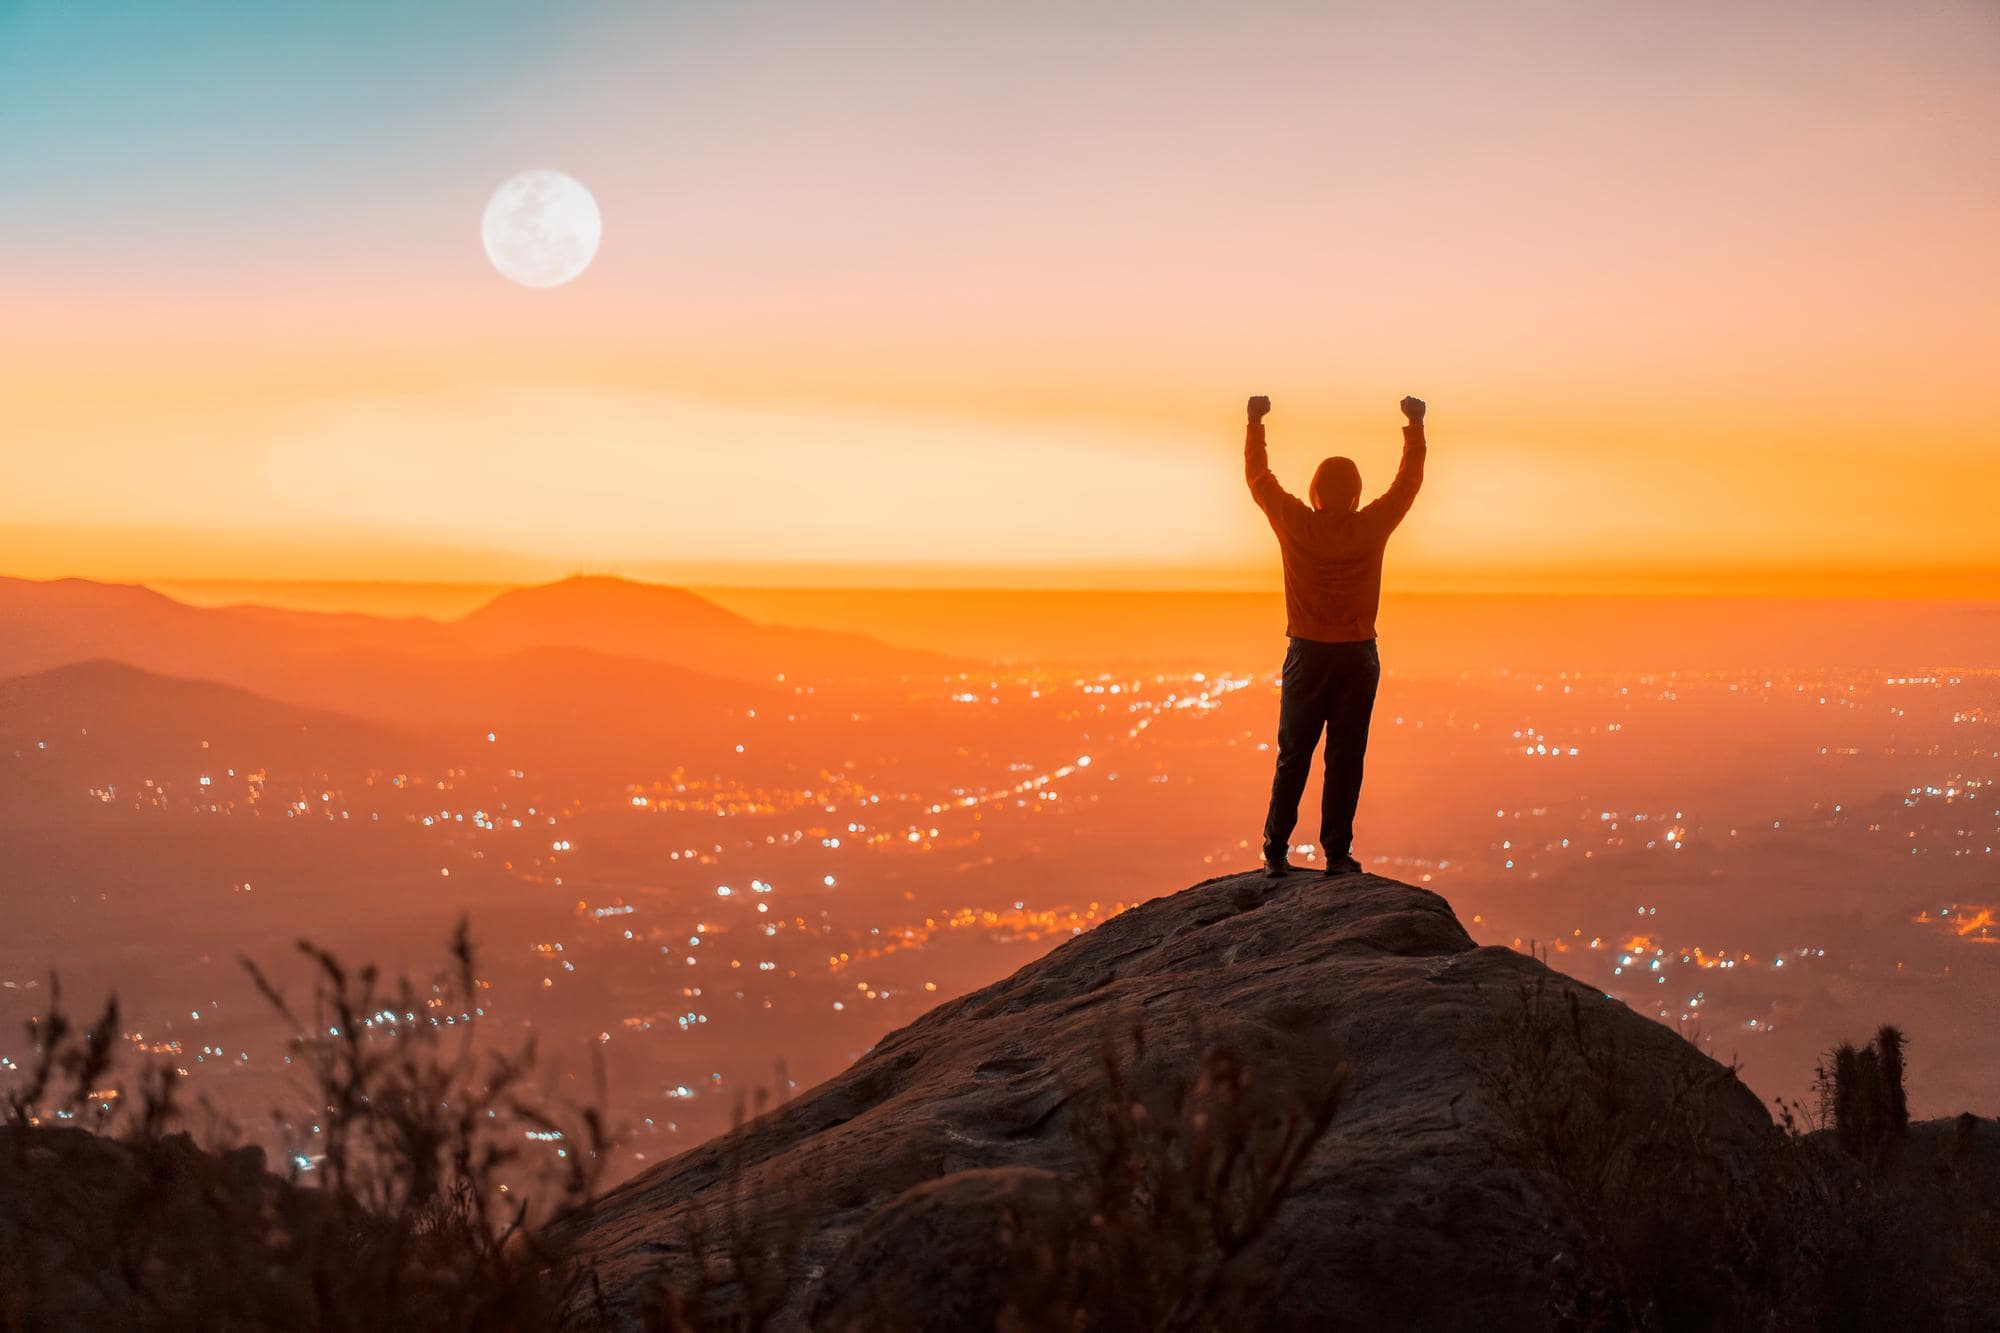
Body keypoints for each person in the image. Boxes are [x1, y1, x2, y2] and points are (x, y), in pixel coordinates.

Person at [1245, 393, 1427, 877]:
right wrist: (1415, 427)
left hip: (1307, 655)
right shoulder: (1371, 526)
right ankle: (1337, 855)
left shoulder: (1297, 523)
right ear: (1355, 495)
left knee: (1293, 756)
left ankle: (1276, 851)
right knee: (1345, 759)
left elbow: (1260, 480)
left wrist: (1255, 424)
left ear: (1315, 492)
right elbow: (1407, 484)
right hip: (1356, 658)